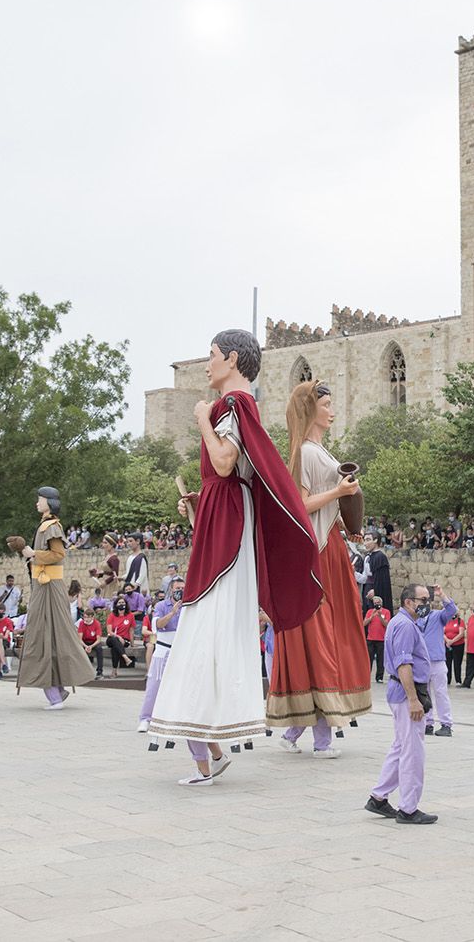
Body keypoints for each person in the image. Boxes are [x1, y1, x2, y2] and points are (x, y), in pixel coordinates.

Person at [148, 330, 322, 785]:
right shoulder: (240, 407)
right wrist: (200, 502)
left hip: (227, 521)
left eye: (210, 356)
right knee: (206, 619)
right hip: (222, 514)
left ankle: (209, 745)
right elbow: (232, 473)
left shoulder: (232, 406)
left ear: (232, 359)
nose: (206, 365)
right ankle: (210, 749)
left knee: (208, 620)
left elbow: (225, 462)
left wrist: (202, 418)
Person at [268, 380, 372, 755]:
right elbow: (301, 505)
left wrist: (345, 522)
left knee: (330, 630)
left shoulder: (318, 452)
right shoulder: (308, 453)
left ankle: (297, 729)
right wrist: (341, 494)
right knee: (323, 632)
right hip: (320, 551)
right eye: (326, 404)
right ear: (311, 410)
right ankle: (319, 733)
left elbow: (321, 508)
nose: (331, 410)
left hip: (332, 542)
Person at [16, 486, 96, 710]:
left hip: (49, 586)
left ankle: (55, 693)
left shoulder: (52, 526)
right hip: (44, 584)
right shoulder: (45, 525)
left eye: (40, 499)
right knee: (47, 634)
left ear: (49, 502)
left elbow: (58, 554)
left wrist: (33, 554)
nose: (37, 503)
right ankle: (56, 690)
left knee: (45, 634)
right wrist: (27, 552)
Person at [364, 583, 438, 824]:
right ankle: (408, 808)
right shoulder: (405, 625)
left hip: (400, 693)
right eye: (423, 600)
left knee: (400, 746)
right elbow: (404, 664)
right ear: (409, 602)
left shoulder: (401, 622)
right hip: (407, 695)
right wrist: (414, 700)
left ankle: (379, 796)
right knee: (412, 752)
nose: (427, 604)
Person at [138, 580, 183, 733]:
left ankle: (177, 718)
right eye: (177, 588)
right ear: (171, 589)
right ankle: (146, 718)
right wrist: (173, 612)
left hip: (181, 650)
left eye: (183, 588)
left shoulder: (190, 607)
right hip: (163, 649)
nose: (180, 591)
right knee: (154, 685)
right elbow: (157, 625)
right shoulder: (161, 606)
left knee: (181, 686)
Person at [417, 584, 459, 737]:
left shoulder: (437, 616)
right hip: (421, 661)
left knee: (440, 693)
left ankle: (446, 724)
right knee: (424, 693)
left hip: (437, 660)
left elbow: (452, 610)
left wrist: (442, 595)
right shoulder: (416, 618)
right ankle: (428, 723)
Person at [363, 596, 390, 683]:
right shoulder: (370, 611)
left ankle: (379, 677)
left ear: (381, 603)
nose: (376, 604)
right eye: (375, 603)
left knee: (380, 659)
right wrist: (372, 616)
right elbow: (364, 623)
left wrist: (380, 616)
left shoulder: (386, 612)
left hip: (381, 639)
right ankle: (366, 676)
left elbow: (386, 624)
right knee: (368, 659)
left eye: (378, 602)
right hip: (370, 638)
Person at [77, 609, 105, 678]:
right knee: (79, 649)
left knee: (99, 649)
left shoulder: (97, 623)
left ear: (92, 617)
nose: (85, 619)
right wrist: (86, 646)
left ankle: (99, 671)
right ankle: (81, 671)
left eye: (87, 617)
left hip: (94, 642)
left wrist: (91, 646)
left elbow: (98, 640)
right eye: (84, 617)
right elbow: (79, 639)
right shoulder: (81, 623)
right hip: (84, 641)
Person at [443, 610, 465, 685]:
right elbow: (443, 632)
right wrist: (447, 640)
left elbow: (461, 633)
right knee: (447, 663)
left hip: (458, 645)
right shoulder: (447, 621)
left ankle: (458, 681)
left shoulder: (460, 621)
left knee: (457, 663)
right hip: (447, 645)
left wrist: (452, 641)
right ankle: (447, 680)